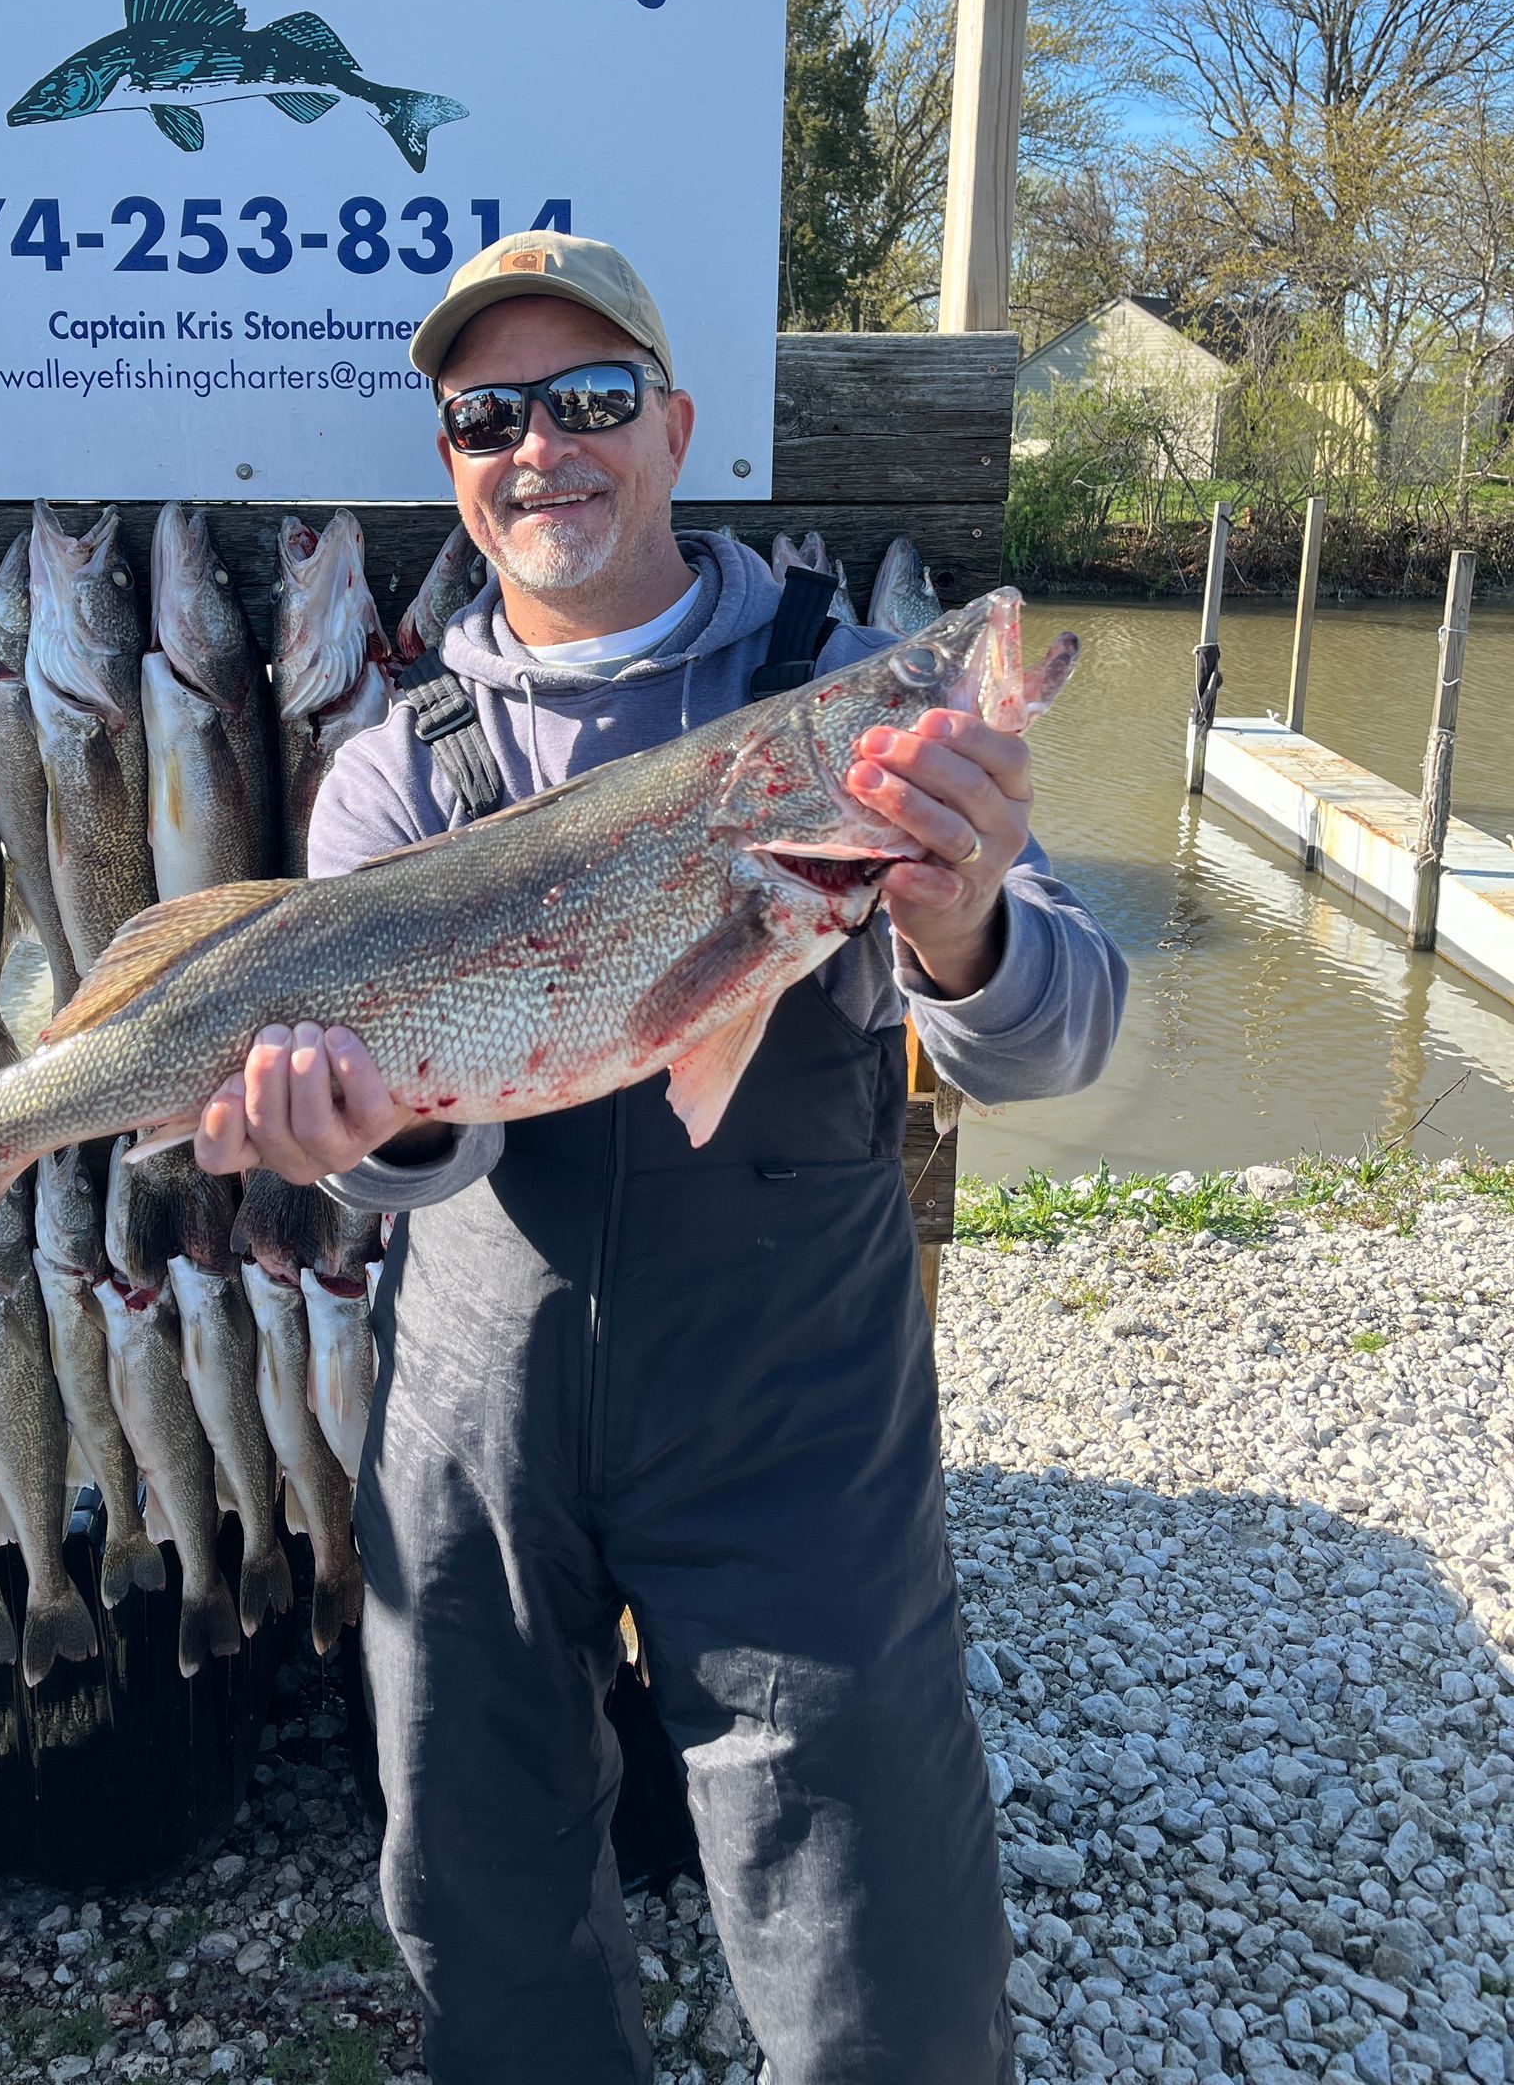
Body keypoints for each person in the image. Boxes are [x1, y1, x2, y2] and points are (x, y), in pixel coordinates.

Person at [196, 232, 1127, 2084]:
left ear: (677, 425)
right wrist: (352, 1139)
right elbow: (397, 1161)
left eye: (594, 399)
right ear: (453, 460)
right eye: (491, 415)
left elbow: (1066, 1035)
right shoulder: (397, 764)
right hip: (475, 1388)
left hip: (795, 1403)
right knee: (477, 1886)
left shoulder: (861, 702)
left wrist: (957, 924)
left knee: (882, 1942)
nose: (545, 447)